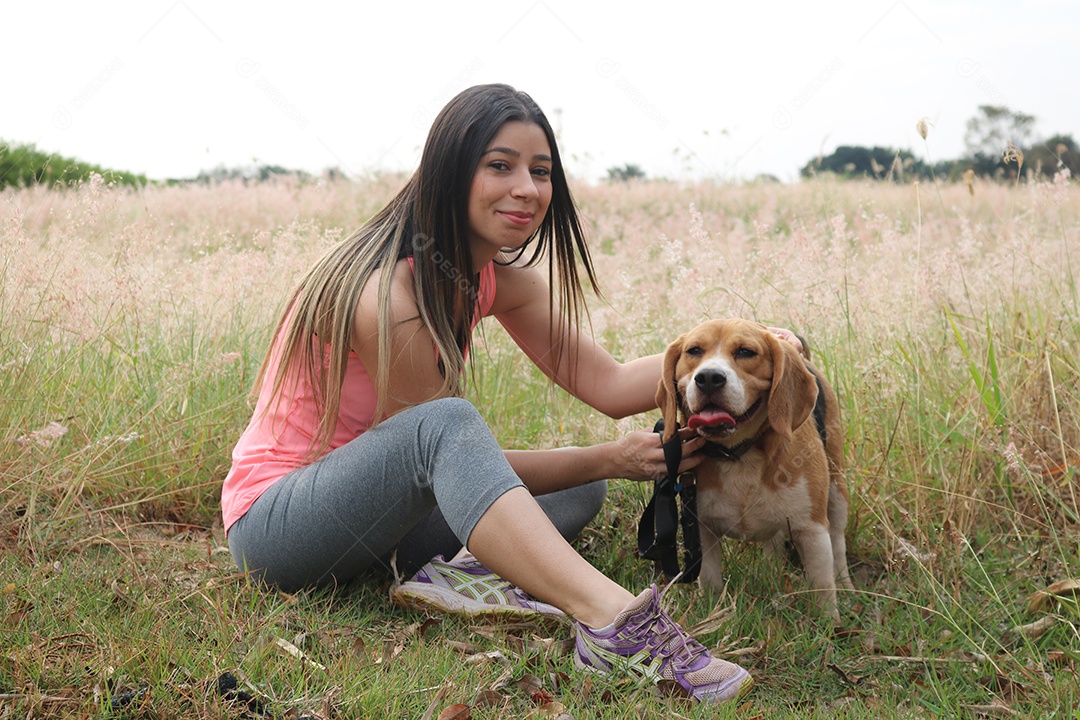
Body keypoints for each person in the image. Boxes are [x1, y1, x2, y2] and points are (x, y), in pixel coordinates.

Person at [222, 83, 792, 704]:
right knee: (451, 425)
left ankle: (453, 575)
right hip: (280, 530)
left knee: (580, 485)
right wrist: (612, 455)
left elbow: (610, 384)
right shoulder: (385, 293)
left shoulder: (494, 280)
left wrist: (743, 348)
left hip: (382, 529)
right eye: (500, 165)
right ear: (450, 171)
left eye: (541, 171)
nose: (527, 187)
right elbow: (434, 455)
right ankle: (615, 624)